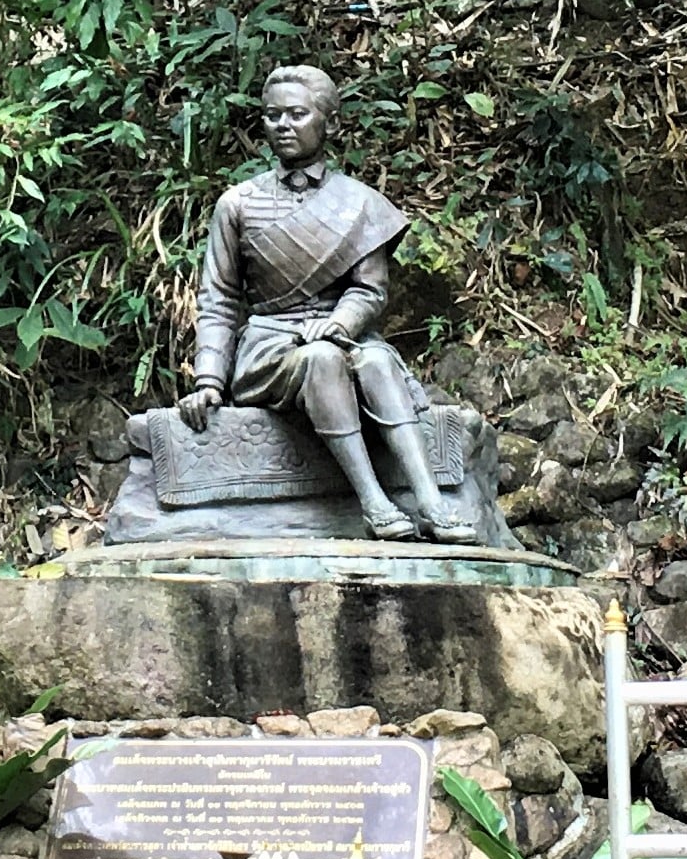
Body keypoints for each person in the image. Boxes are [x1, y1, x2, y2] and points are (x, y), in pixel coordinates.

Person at [175, 65, 478, 543]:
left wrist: (340, 323)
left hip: (343, 334)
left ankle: (431, 502)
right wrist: (209, 380)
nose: (283, 125)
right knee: (321, 360)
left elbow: (369, 289)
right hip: (270, 347)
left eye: (297, 114)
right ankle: (374, 503)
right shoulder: (238, 204)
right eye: (272, 115)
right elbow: (219, 297)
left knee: (377, 362)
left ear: (329, 122)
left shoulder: (361, 204)